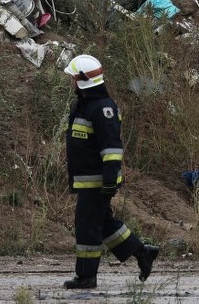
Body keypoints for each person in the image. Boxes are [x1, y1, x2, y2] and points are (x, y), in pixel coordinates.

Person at [62, 54, 159, 289]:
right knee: (102, 223)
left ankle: (86, 277)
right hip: (88, 181)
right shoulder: (83, 105)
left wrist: (109, 182)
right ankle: (142, 251)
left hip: (98, 182)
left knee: (87, 227)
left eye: (73, 78)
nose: (71, 82)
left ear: (83, 80)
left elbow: (112, 150)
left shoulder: (103, 109)